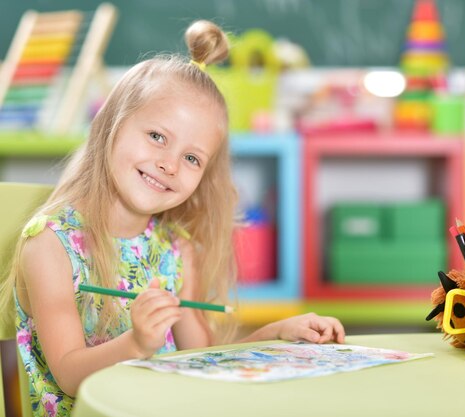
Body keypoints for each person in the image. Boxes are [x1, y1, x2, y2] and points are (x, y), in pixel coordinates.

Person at [0, 20, 345, 417]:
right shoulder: (50, 245)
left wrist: (276, 335)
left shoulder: (175, 248)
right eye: (158, 137)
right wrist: (137, 342)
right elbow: (68, 374)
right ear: (112, 126)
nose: (169, 165)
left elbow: (201, 358)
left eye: (192, 158)